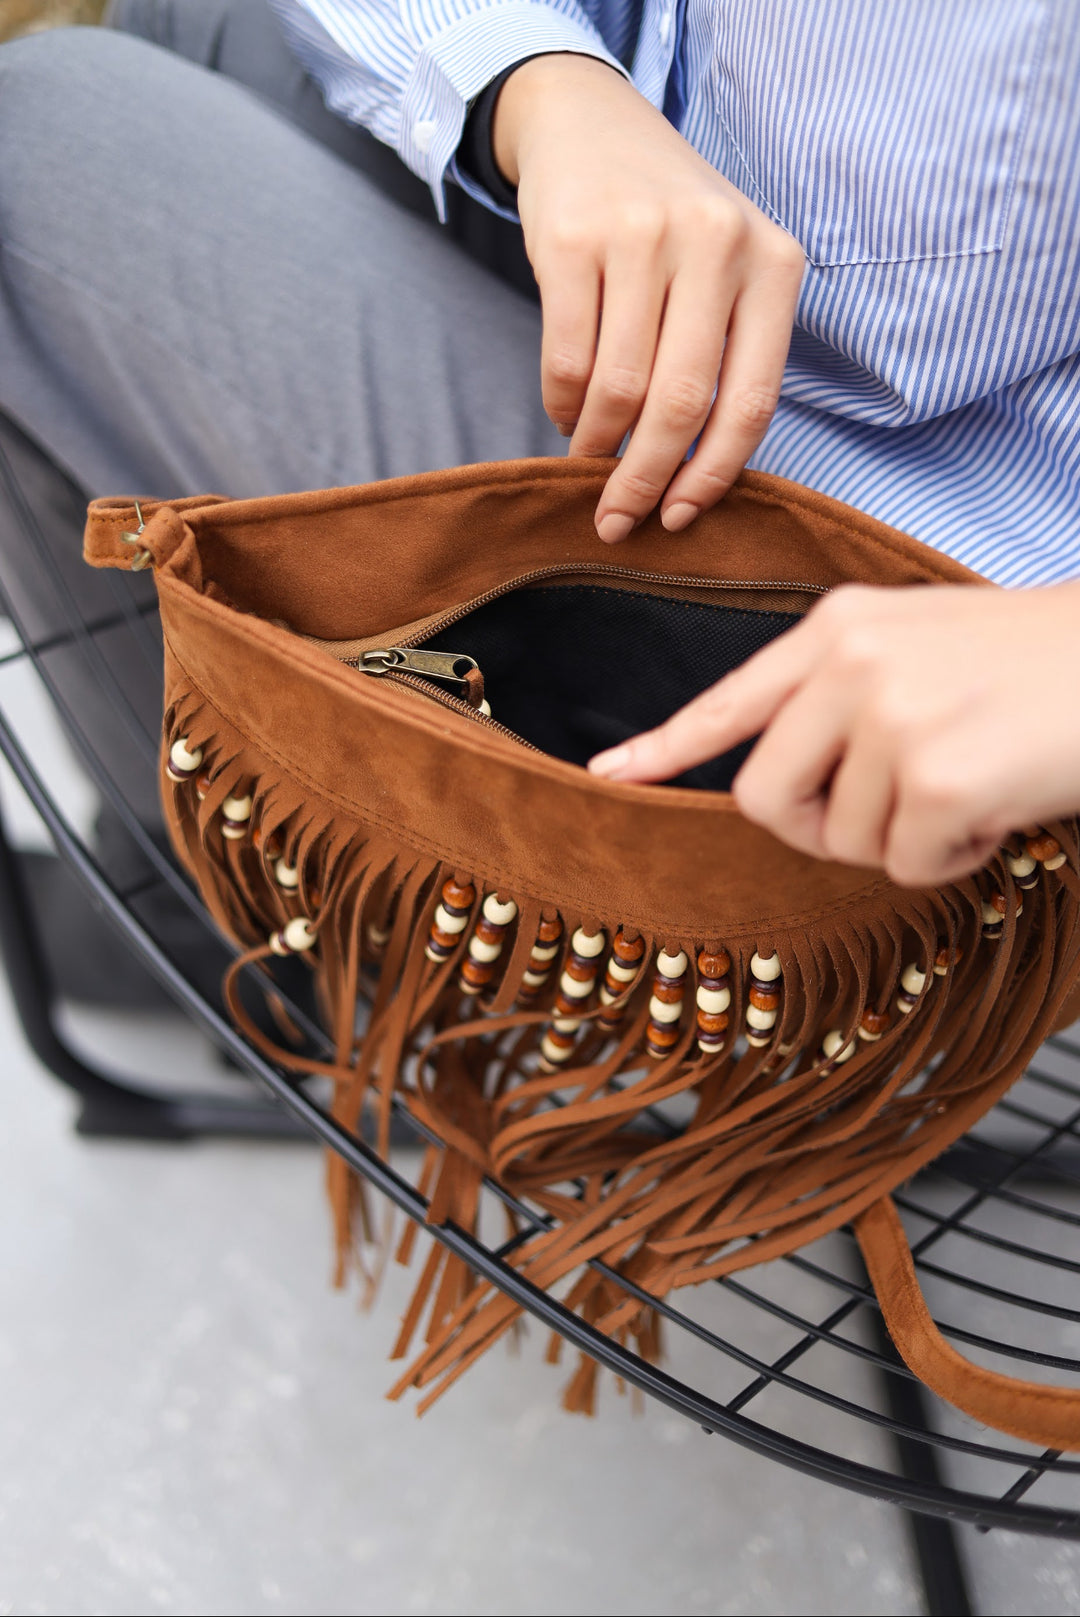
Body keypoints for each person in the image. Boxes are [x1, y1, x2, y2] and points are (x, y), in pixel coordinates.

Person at [1, 0, 1078, 908]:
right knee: (199, 20)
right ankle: (217, 864)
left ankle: (229, 900)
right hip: (654, 292)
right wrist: (540, 81)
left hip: (913, 607)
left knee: (39, 134)